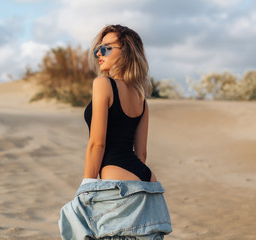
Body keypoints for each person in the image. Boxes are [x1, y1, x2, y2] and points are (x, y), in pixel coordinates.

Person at [59, 24, 172, 240]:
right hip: (147, 182)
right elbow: (142, 155)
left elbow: (97, 144)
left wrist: (87, 185)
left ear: (127, 51)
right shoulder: (141, 97)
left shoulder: (103, 84)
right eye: (98, 50)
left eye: (107, 48)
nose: (99, 54)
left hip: (117, 186)